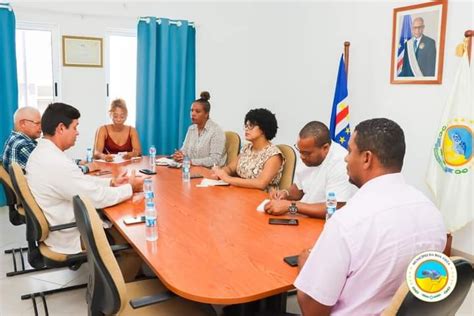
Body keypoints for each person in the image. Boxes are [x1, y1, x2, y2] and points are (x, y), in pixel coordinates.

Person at [295, 118, 446, 316]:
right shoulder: (432, 212)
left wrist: (304, 264)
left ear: (367, 158)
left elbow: (312, 310)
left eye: (349, 151)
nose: (345, 159)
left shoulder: (346, 222)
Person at [26, 103, 144, 260]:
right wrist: (130, 187)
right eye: (75, 127)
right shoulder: (54, 162)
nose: (77, 133)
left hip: (64, 222)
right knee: (134, 246)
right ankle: (120, 281)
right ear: (61, 128)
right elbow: (96, 198)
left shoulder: (44, 153)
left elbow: (78, 181)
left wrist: (111, 182)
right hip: (72, 233)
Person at [264, 121, 356, 218]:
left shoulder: (341, 163)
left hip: (324, 223)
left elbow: (333, 208)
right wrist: (285, 193)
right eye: (300, 151)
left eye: (306, 153)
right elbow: (300, 188)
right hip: (304, 216)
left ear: (325, 148)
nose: (302, 157)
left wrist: (291, 206)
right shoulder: (306, 153)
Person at [212, 108, 284, 190]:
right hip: (241, 193)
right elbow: (230, 168)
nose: (246, 129)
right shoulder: (247, 148)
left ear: (263, 128)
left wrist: (228, 179)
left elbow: (261, 183)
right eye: (246, 126)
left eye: (251, 126)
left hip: (262, 198)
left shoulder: (274, 155)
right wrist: (220, 173)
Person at [173, 91, 226, 167]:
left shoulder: (216, 131)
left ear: (206, 114)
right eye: (191, 110)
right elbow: (184, 151)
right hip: (192, 169)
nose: (193, 114)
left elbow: (215, 160)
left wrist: (191, 161)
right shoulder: (191, 129)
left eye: (197, 111)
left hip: (210, 173)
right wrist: (179, 155)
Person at [2, 107, 42, 171]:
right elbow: (45, 168)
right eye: (37, 123)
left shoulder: (13, 138)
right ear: (22, 123)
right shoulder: (24, 145)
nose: (41, 126)